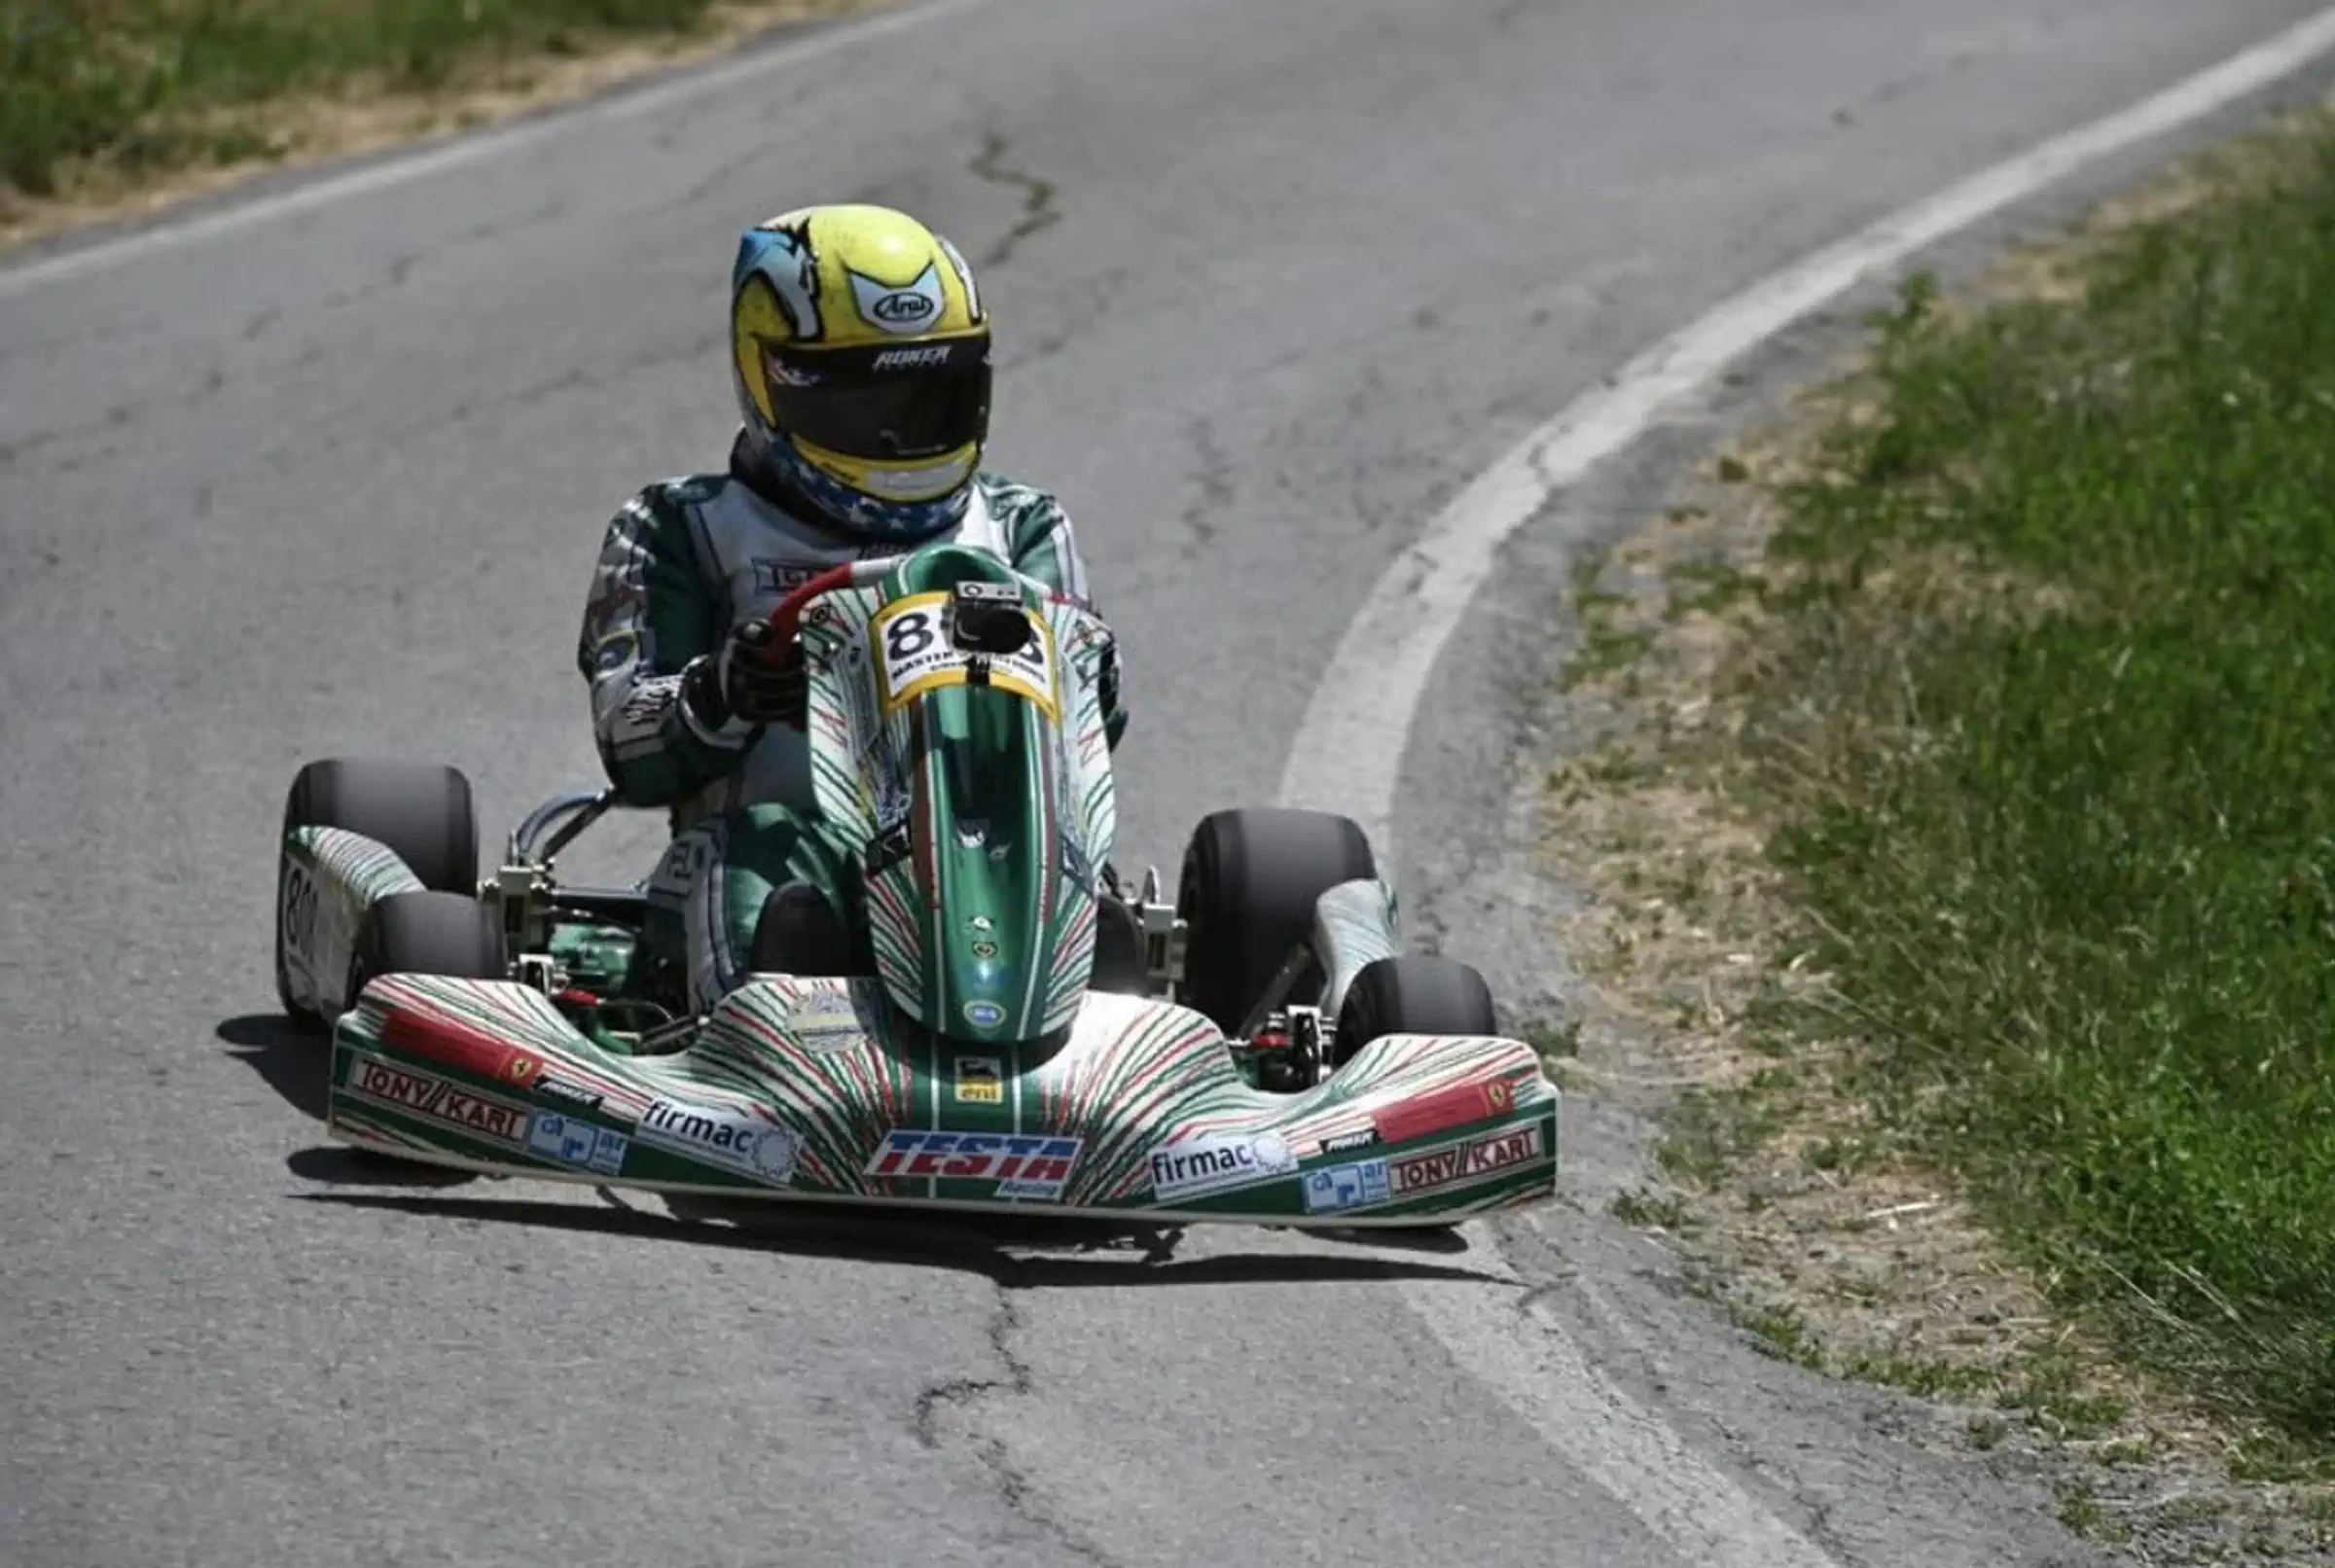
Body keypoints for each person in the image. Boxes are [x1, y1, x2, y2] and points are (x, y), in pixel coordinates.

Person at [576, 203, 1123, 1016]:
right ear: (773, 381)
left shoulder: (1020, 526)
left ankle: (1112, 1064)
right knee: (763, 876)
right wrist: (724, 691)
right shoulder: (686, 528)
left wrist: (1091, 673)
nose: (899, 432)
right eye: (865, 403)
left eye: (930, 397)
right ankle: (766, 1057)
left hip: (995, 852)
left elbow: (1091, 735)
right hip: (782, 853)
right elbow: (630, 745)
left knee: (1099, 907)